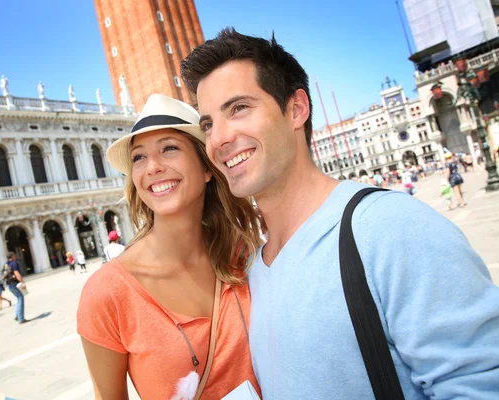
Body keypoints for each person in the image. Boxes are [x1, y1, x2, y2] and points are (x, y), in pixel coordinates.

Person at [181, 28, 499, 399]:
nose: (218, 139)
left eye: (239, 108)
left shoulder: (389, 229)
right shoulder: (254, 269)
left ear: (296, 109)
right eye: (208, 124)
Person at [77, 94, 263, 399]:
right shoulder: (107, 293)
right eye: (139, 157)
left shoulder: (244, 255)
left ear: (206, 169)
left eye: (169, 148)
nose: (152, 167)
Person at [5, 252, 27, 324]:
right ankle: (21, 318)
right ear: (12, 256)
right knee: (20, 298)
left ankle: (17, 315)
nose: (15, 256)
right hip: (15, 283)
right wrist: (23, 282)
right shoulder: (13, 263)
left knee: (18, 298)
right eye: (14, 255)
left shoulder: (6, 264)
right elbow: (17, 274)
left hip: (9, 284)